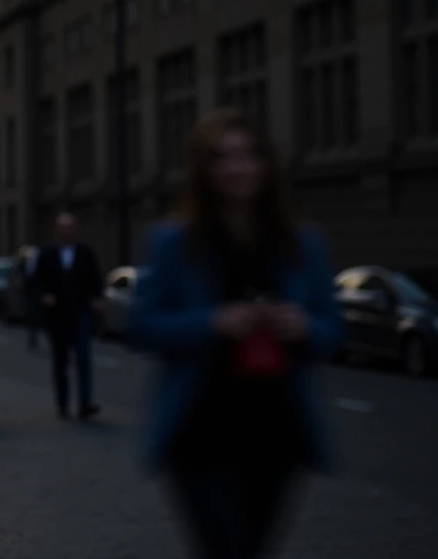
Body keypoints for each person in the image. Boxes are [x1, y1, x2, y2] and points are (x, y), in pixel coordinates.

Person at [128, 109, 344, 559]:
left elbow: (333, 330)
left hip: (276, 429)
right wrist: (212, 322)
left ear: (267, 165)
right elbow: (141, 325)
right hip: (201, 428)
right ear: (203, 171)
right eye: (222, 158)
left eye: (247, 156)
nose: (236, 168)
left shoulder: (304, 245)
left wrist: (302, 325)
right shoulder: (173, 242)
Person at [34, 213, 103, 420]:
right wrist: (44, 295)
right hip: (57, 316)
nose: (67, 232)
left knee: (83, 357)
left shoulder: (85, 253)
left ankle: (85, 403)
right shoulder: (47, 254)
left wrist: (97, 299)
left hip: (80, 311)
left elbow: (95, 279)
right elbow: (37, 281)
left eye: (70, 227)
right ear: (57, 231)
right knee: (60, 361)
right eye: (63, 228)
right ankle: (63, 403)